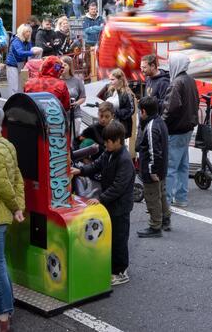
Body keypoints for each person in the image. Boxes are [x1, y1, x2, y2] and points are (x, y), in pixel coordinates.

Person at [70, 120, 134, 286]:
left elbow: (118, 187)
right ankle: (112, 267)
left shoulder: (125, 160)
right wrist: (80, 170)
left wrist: (100, 199)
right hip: (111, 205)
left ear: (119, 140)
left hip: (120, 207)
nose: (105, 144)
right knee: (111, 236)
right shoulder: (109, 153)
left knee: (120, 239)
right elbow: (97, 165)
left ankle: (121, 271)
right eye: (105, 141)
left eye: (108, 142)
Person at [0, 105, 25, 332]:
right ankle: (7, 308)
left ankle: (3, 318)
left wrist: (14, 206)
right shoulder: (7, 145)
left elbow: (1, 184)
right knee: (0, 263)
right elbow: (18, 178)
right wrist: (19, 206)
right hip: (4, 213)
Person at [164, 54, 200, 208]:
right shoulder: (190, 80)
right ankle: (181, 197)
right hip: (188, 128)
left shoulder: (176, 83)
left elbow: (170, 109)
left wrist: (161, 123)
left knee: (170, 166)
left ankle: (166, 200)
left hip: (175, 130)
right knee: (183, 165)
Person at [135, 96, 170, 237]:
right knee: (161, 195)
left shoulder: (150, 127)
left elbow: (154, 151)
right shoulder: (160, 122)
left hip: (153, 171)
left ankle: (155, 226)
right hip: (162, 168)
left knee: (152, 197)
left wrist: (152, 171)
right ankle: (165, 219)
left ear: (143, 111)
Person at [98, 68, 135, 137]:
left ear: (120, 80)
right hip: (108, 125)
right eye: (110, 79)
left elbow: (130, 110)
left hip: (121, 126)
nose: (110, 82)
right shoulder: (110, 90)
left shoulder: (127, 93)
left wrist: (114, 112)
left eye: (113, 79)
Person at [4, 24, 36, 100]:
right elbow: (20, 53)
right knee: (13, 87)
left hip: (23, 65)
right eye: (26, 32)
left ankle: (22, 101)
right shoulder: (16, 41)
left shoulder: (27, 41)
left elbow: (30, 50)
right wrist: (33, 52)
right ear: (22, 32)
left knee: (24, 85)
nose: (28, 34)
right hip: (12, 65)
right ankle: (13, 103)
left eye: (29, 32)